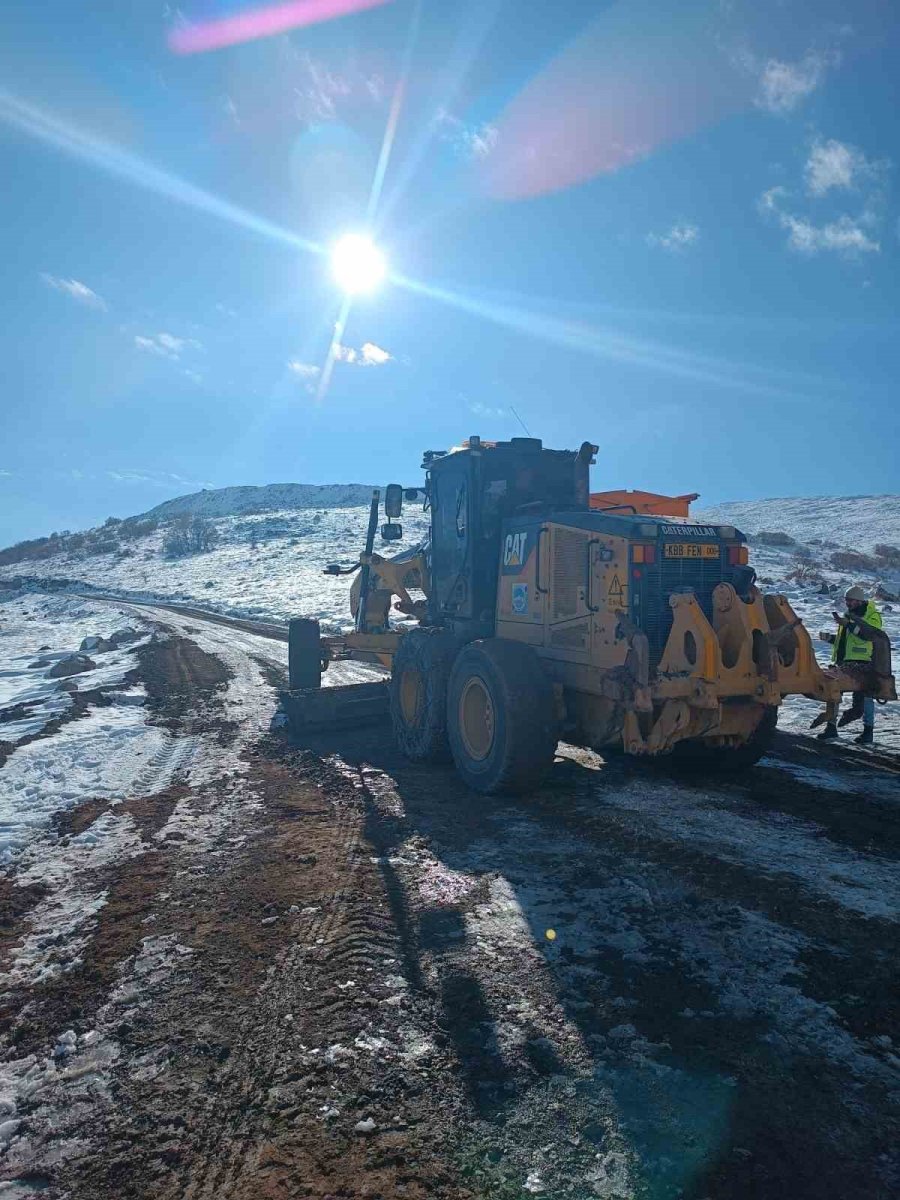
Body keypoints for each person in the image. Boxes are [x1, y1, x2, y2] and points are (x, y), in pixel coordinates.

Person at [816, 585, 886, 745]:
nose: (847, 603)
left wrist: (847, 624)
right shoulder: (848, 615)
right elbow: (846, 642)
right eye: (846, 600)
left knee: (866, 696)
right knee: (833, 690)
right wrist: (830, 639)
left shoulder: (872, 615)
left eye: (850, 600)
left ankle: (868, 731)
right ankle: (831, 727)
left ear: (859, 601)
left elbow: (868, 636)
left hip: (864, 662)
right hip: (845, 662)